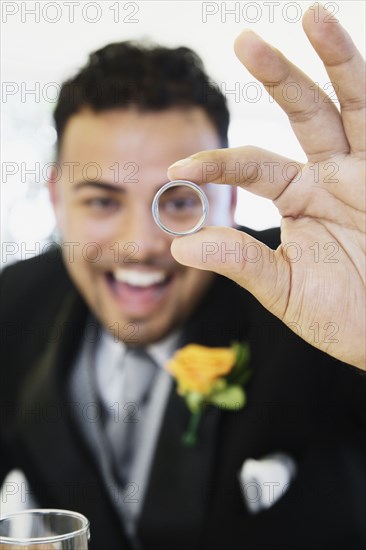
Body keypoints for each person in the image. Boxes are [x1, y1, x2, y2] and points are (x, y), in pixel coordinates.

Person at [1, 5, 365, 550]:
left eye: (178, 201)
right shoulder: (12, 303)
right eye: (101, 200)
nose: (141, 245)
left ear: (231, 198)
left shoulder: (324, 279)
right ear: (56, 196)